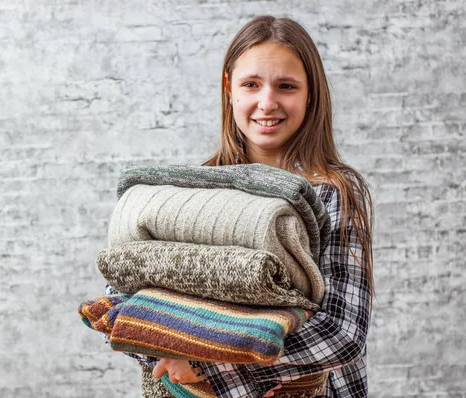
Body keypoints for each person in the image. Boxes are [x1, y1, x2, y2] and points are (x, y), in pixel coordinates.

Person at [149, 15, 374, 398]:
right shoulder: (194, 191)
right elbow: (137, 302)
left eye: (286, 86)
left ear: (310, 95)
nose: (267, 103)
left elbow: (341, 332)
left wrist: (204, 362)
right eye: (251, 84)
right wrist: (159, 351)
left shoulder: (333, 193)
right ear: (229, 88)